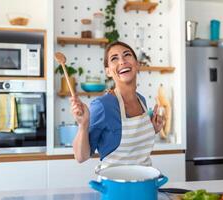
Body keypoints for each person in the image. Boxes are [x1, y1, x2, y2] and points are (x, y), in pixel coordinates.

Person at [70, 41, 164, 169]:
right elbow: (81, 157)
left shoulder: (141, 100)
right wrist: (83, 125)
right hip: (115, 185)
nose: (122, 61)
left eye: (127, 55)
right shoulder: (102, 106)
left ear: (137, 64)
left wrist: (153, 129)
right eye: (114, 58)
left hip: (143, 182)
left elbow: (134, 147)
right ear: (108, 71)